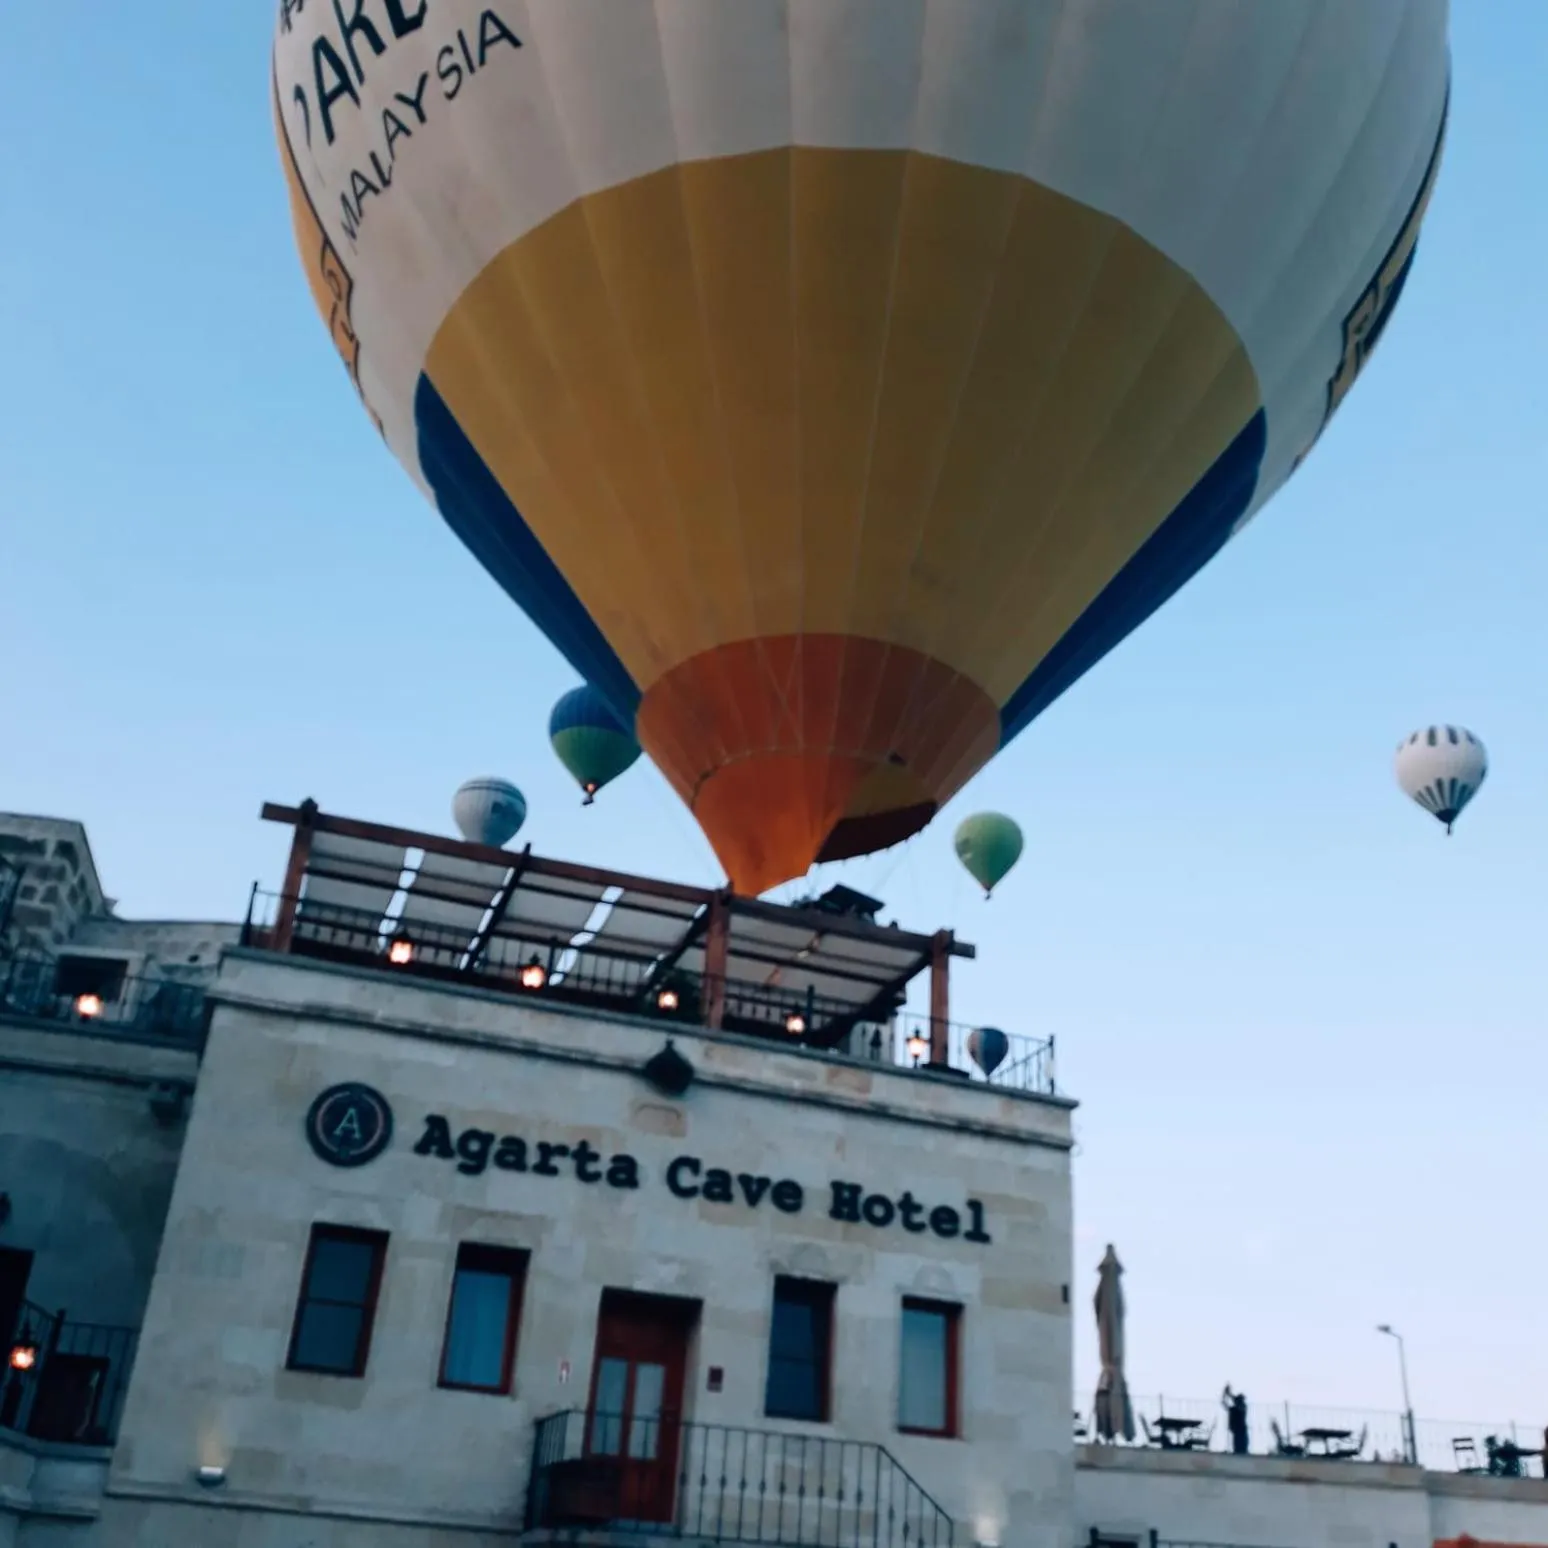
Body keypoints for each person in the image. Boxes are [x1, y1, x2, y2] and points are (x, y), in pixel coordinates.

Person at [1222, 1385, 1250, 1455]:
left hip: (1241, 1431)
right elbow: (1224, 1404)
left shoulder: (1242, 1406)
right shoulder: (1235, 1408)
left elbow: (1236, 1403)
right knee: (1237, 1448)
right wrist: (1225, 1394)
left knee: (1242, 1449)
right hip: (1236, 1431)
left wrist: (1229, 1393)